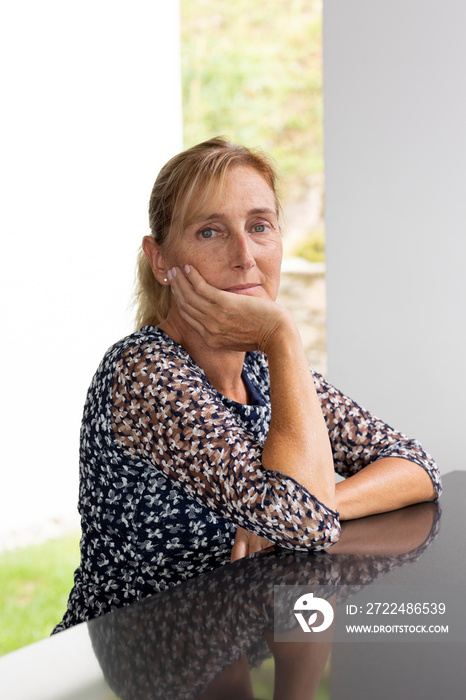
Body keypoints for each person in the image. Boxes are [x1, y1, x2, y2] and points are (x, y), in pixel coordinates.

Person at [53, 137, 441, 633]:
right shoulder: (145, 372)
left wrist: (313, 507)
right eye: (210, 232)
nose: (245, 255)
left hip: (233, 646)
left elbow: (415, 467)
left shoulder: (259, 368)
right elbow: (305, 522)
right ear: (160, 260)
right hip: (138, 657)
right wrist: (281, 333)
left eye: (260, 226)